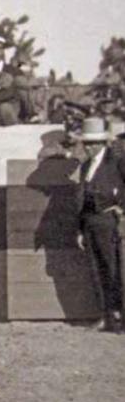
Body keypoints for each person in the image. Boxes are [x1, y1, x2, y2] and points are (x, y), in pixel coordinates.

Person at [76, 117, 125, 333]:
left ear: (102, 144)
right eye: (86, 143)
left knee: (115, 270)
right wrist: (79, 228)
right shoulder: (86, 165)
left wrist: (122, 209)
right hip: (90, 222)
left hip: (109, 221)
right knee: (96, 271)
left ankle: (120, 318)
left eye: (92, 143)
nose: (88, 147)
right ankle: (106, 316)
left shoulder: (116, 162)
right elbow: (81, 199)